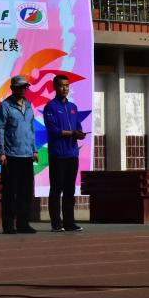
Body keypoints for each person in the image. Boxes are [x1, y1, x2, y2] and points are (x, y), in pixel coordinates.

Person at [0, 75, 38, 234]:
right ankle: (8, 225)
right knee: (10, 193)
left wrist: (34, 150)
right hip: (11, 156)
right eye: (19, 87)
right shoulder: (5, 106)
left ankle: (23, 224)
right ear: (12, 88)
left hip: (27, 155)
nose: (23, 90)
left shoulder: (29, 106)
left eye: (25, 87)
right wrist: (1, 152)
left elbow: (31, 130)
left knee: (25, 192)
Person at [44, 74, 86, 232]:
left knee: (69, 189)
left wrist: (80, 133)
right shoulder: (50, 107)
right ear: (55, 87)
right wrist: (71, 133)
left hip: (72, 154)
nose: (64, 88)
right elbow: (53, 130)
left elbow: (78, 127)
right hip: (57, 154)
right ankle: (56, 223)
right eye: (61, 85)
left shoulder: (73, 107)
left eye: (67, 86)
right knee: (56, 189)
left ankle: (69, 223)